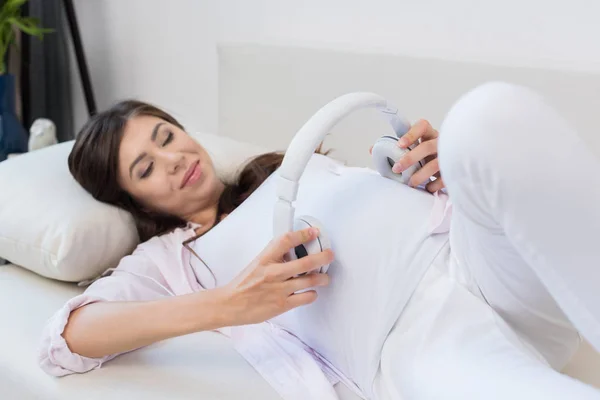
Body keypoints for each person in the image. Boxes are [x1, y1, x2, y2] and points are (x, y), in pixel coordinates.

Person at [38, 82, 600, 400]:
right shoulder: (168, 261)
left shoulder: (282, 169)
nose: (175, 158)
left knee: (485, 116)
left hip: (478, 267)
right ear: (135, 201)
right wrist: (229, 304)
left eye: (167, 136)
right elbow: (67, 339)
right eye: (146, 167)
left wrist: (442, 173)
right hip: (420, 341)